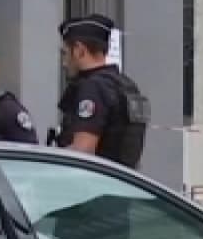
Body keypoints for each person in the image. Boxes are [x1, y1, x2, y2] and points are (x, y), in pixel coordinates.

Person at [57, 14, 150, 167]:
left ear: (80, 50)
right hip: (119, 180)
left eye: (65, 53)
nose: (64, 63)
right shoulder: (125, 85)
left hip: (92, 185)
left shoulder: (93, 88)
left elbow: (82, 152)